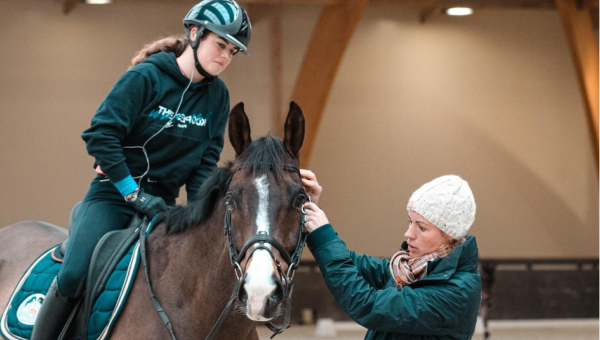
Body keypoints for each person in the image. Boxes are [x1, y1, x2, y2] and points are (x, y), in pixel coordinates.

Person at [30, 1, 251, 339]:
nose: (225, 56)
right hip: (112, 196)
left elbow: (205, 166)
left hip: (163, 207)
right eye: (220, 44)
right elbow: (101, 134)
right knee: (74, 271)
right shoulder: (145, 77)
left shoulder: (218, 96)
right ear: (194, 33)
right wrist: (132, 191)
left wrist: (201, 214)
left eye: (232, 52)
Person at [300, 171, 481, 340]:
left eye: (422, 227)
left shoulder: (457, 292)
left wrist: (323, 233)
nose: (408, 233)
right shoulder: (407, 270)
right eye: (410, 222)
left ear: (449, 235)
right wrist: (310, 207)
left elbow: (368, 306)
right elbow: (351, 262)